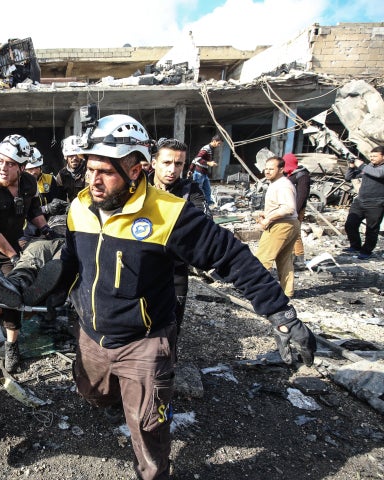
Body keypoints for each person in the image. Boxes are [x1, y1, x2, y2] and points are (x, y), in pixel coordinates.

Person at [56, 114, 316, 480]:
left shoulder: (170, 213)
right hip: (91, 335)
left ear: (135, 170)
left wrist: (281, 314)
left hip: (144, 342)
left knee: (147, 427)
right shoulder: (79, 207)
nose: (93, 182)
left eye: (105, 172)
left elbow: (232, 256)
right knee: (93, 393)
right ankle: (118, 397)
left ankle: (154, 472)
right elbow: (71, 263)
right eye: (89, 169)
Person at [0, 134, 57, 373]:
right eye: (1, 161)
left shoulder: (29, 183)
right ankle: (0, 312)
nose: (3, 168)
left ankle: (11, 346)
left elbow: (34, 210)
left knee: (13, 296)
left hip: (9, 251)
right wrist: (16, 256)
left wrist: (45, 228)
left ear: (22, 167)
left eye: (11, 164)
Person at [148, 138, 210, 334]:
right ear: (154, 163)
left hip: (175, 269)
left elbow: (203, 225)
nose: (172, 170)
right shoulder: (137, 188)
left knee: (173, 322)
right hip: (141, 266)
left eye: (178, 164)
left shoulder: (190, 190)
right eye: (167, 163)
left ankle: (170, 359)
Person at [254, 156, 299, 298]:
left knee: (263, 259)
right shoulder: (276, 183)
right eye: (266, 169)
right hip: (288, 224)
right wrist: (266, 213)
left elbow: (289, 208)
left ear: (281, 169)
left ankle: (258, 292)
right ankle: (287, 292)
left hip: (281, 225)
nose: (267, 172)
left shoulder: (283, 185)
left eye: (271, 169)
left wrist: (269, 218)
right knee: (284, 260)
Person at [343, 146, 384, 260]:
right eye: (371, 156)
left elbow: (378, 174)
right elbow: (348, 177)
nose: (372, 158)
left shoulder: (378, 169)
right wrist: (351, 167)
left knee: (371, 229)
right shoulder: (369, 167)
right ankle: (355, 246)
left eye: (375, 156)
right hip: (360, 201)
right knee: (350, 224)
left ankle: (366, 251)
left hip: (376, 203)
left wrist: (361, 164)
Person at [283, 153, 311, 267]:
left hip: (296, 208)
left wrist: (296, 210)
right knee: (290, 232)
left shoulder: (302, 175)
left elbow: (302, 195)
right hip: (289, 207)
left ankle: (299, 258)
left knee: (295, 232)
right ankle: (292, 256)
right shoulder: (290, 174)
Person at [189, 134, 222, 205]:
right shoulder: (206, 148)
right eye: (218, 143)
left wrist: (191, 169)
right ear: (214, 141)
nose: (219, 145)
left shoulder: (210, 149)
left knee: (207, 190)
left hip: (203, 173)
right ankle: (196, 204)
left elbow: (196, 158)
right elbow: (197, 159)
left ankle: (208, 205)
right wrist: (208, 163)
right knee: (197, 190)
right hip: (199, 173)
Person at [55, 135, 87, 202]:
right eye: (71, 155)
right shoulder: (61, 175)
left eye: (77, 155)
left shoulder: (88, 172)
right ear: (65, 156)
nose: (75, 158)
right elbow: (60, 198)